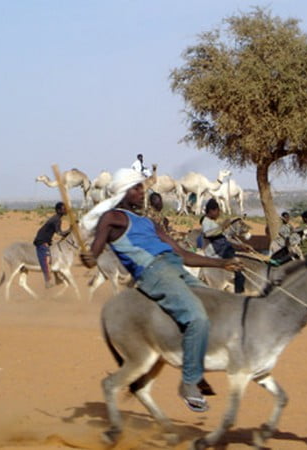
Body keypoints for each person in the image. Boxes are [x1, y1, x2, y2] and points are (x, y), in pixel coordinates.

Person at [80, 168, 244, 413]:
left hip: (175, 267)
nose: (141, 191)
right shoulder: (111, 218)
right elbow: (93, 255)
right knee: (197, 317)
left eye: (141, 187)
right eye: (136, 188)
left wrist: (222, 264)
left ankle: (194, 365)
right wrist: (88, 258)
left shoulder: (149, 223)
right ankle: (189, 383)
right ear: (123, 191)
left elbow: (183, 254)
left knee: (219, 304)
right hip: (154, 272)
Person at [200, 198, 246, 293]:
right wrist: (223, 226)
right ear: (212, 211)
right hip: (215, 255)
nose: (219, 213)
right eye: (218, 211)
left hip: (221, 252)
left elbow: (224, 238)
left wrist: (240, 245)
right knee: (237, 269)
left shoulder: (213, 223)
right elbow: (208, 234)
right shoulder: (206, 222)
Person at [33, 202, 70, 288]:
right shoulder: (56, 219)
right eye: (63, 209)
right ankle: (47, 281)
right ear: (58, 210)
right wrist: (70, 229)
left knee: (54, 259)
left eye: (65, 208)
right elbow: (60, 233)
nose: (65, 210)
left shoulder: (57, 218)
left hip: (47, 240)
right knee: (46, 260)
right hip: (42, 241)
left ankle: (57, 278)